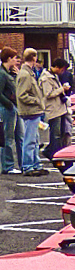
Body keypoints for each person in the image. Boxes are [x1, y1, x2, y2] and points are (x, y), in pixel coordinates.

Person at [15, 50, 47, 176]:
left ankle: (35, 164)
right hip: (30, 111)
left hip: (34, 111)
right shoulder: (25, 75)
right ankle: (28, 166)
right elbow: (22, 95)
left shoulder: (28, 73)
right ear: (34, 58)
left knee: (34, 140)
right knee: (29, 140)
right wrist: (36, 101)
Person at [41, 58, 70, 160]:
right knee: (55, 134)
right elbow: (48, 94)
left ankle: (53, 151)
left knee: (61, 133)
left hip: (60, 108)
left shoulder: (54, 76)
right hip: (53, 110)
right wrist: (62, 89)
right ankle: (51, 152)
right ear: (57, 67)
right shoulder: (46, 78)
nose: (62, 72)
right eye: (62, 69)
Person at [0, 47, 18, 175]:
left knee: (10, 137)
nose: (16, 61)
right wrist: (9, 105)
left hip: (9, 107)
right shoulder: (2, 74)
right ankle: (8, 165)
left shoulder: (7, 73)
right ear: (9, 58)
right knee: (8, 137)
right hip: (6, 108)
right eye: (15, 58)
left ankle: (8, 164)